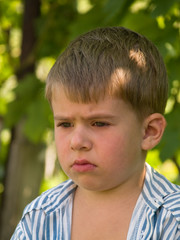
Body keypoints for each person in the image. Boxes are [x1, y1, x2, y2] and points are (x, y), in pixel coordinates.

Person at [11, 26, 180, 240]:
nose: (77, 141)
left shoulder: (172, 221)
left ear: (149, 131)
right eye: (65, 124)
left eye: (99, 123)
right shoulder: (40, 218)